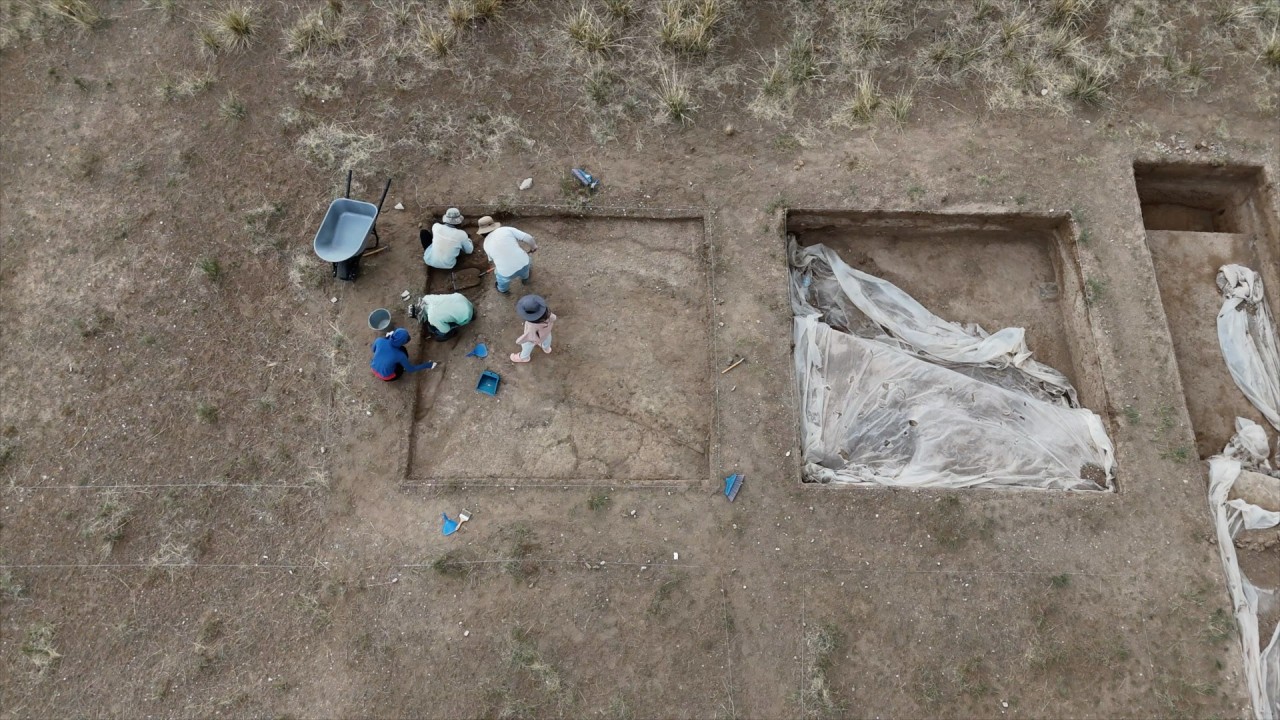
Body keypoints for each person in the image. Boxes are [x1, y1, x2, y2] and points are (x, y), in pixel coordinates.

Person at [478, 215, 536, 294]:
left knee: (502, 281)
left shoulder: (485, 244)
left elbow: (491, 260)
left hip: (505, 272)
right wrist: (533, 247)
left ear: (482, 233)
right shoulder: (506, 229)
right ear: (494, 225)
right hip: (524, 262)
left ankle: (503, 290)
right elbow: (528, 238)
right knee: (525, 270)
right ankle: (525, 280)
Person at [370, 328, 438, 381]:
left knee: (392, 358)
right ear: (403, 342)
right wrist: (428, 365)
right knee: (401, 358)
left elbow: (373, 350)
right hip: (387, 377)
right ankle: (401, 369)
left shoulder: (379, 340)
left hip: (373, 368)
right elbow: (411, 369)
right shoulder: (400, 355)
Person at [410, 292, 475, 342]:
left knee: (440, 335)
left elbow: (445, 329)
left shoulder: (432, 318)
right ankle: (471, 313)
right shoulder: (426, 298)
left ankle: (453, 333)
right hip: (463, 300)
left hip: (467, 315)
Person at [510, 294, 557, 364]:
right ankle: (546, 348)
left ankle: (524, 357)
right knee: (547, 338)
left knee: (527, 345)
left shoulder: (532, 326)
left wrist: (520, 341)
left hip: (534, 338)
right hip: (546, 332)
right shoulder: (549, 314)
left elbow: (529, 337)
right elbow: (554, 318)